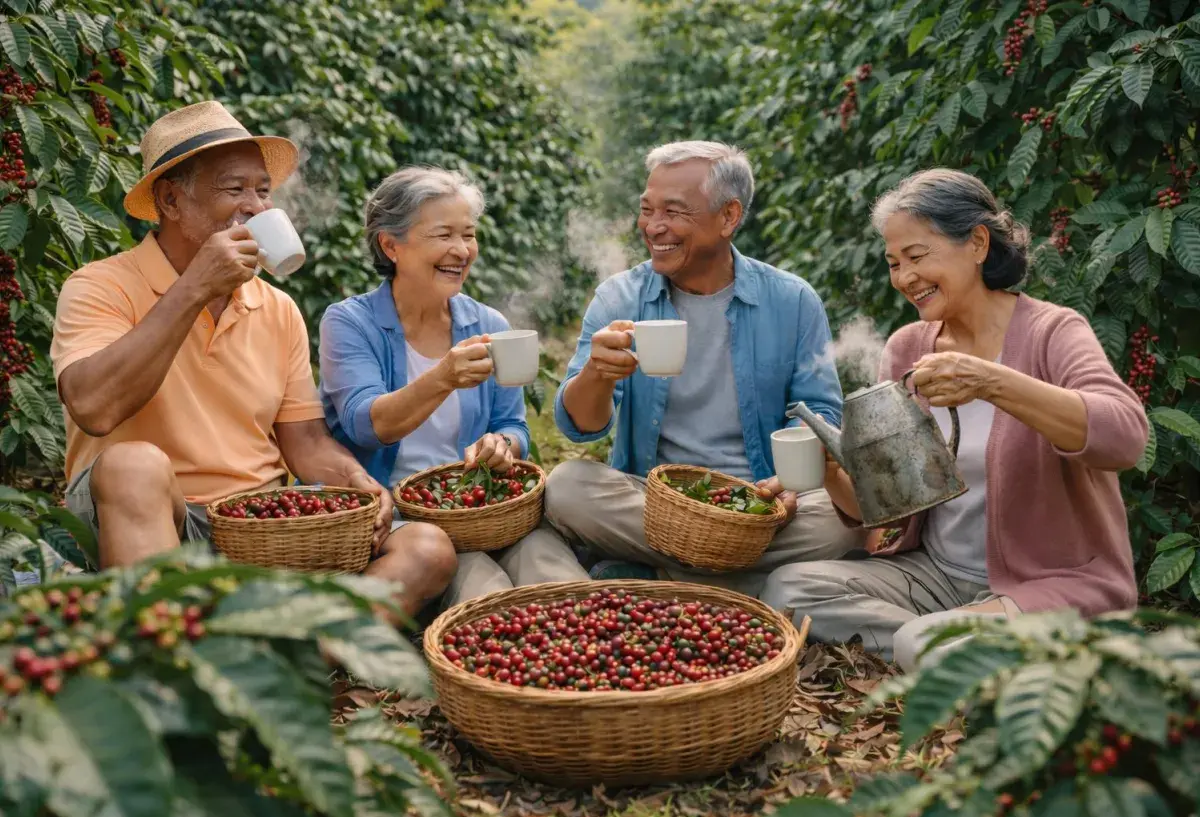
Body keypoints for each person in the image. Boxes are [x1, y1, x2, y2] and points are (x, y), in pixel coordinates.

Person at [51, 101, 456, 616]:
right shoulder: (99, 286)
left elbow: (305, 441)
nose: (257, 206)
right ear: (171, 200)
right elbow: (93, 406)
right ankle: (166, 665)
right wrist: (194, 288)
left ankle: (277, 661)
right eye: (233, 189)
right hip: (149, 521)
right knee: (134, 464)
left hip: (256, 530)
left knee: (425, 549)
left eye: (263, 190)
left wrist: (355, 480)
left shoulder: (277, 307)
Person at [760, 168, 1147, 669]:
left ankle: (961, 645)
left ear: (978, 243)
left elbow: (1124, 438)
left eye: (917, 256)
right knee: (788, 587)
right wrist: (833, 473)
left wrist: (991, 382)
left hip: (1054, 582)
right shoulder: (907, 349)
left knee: (919, 643)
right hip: (936, 576)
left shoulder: (1052, 332)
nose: (904, 278)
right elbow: (892, 512)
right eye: (894, 263)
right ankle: (971, 646)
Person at [543, 141, 862, 594]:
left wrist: (789, 486)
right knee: (568, 487)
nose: (654, 227)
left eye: (674, 212)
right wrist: (596, 374)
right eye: (647, 209)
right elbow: (582, 429)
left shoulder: (792, 300)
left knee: (842, 521)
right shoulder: (619, 297)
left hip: (759, 506)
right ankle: (746, 582)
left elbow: (821, 416)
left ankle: (660, 577)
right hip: (658, 503)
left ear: (729, 217)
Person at [319, 166, 588, 607]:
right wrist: (443, 377)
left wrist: (502, 445)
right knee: (495, 606)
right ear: (391, 245)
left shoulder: (487, 324)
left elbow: (513, 426)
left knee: (564, 586)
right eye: (443, 235)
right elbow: (367, 426)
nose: (461, 250)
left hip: (483, 509)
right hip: (409, 517)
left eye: (469, 234)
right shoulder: (351, 322)